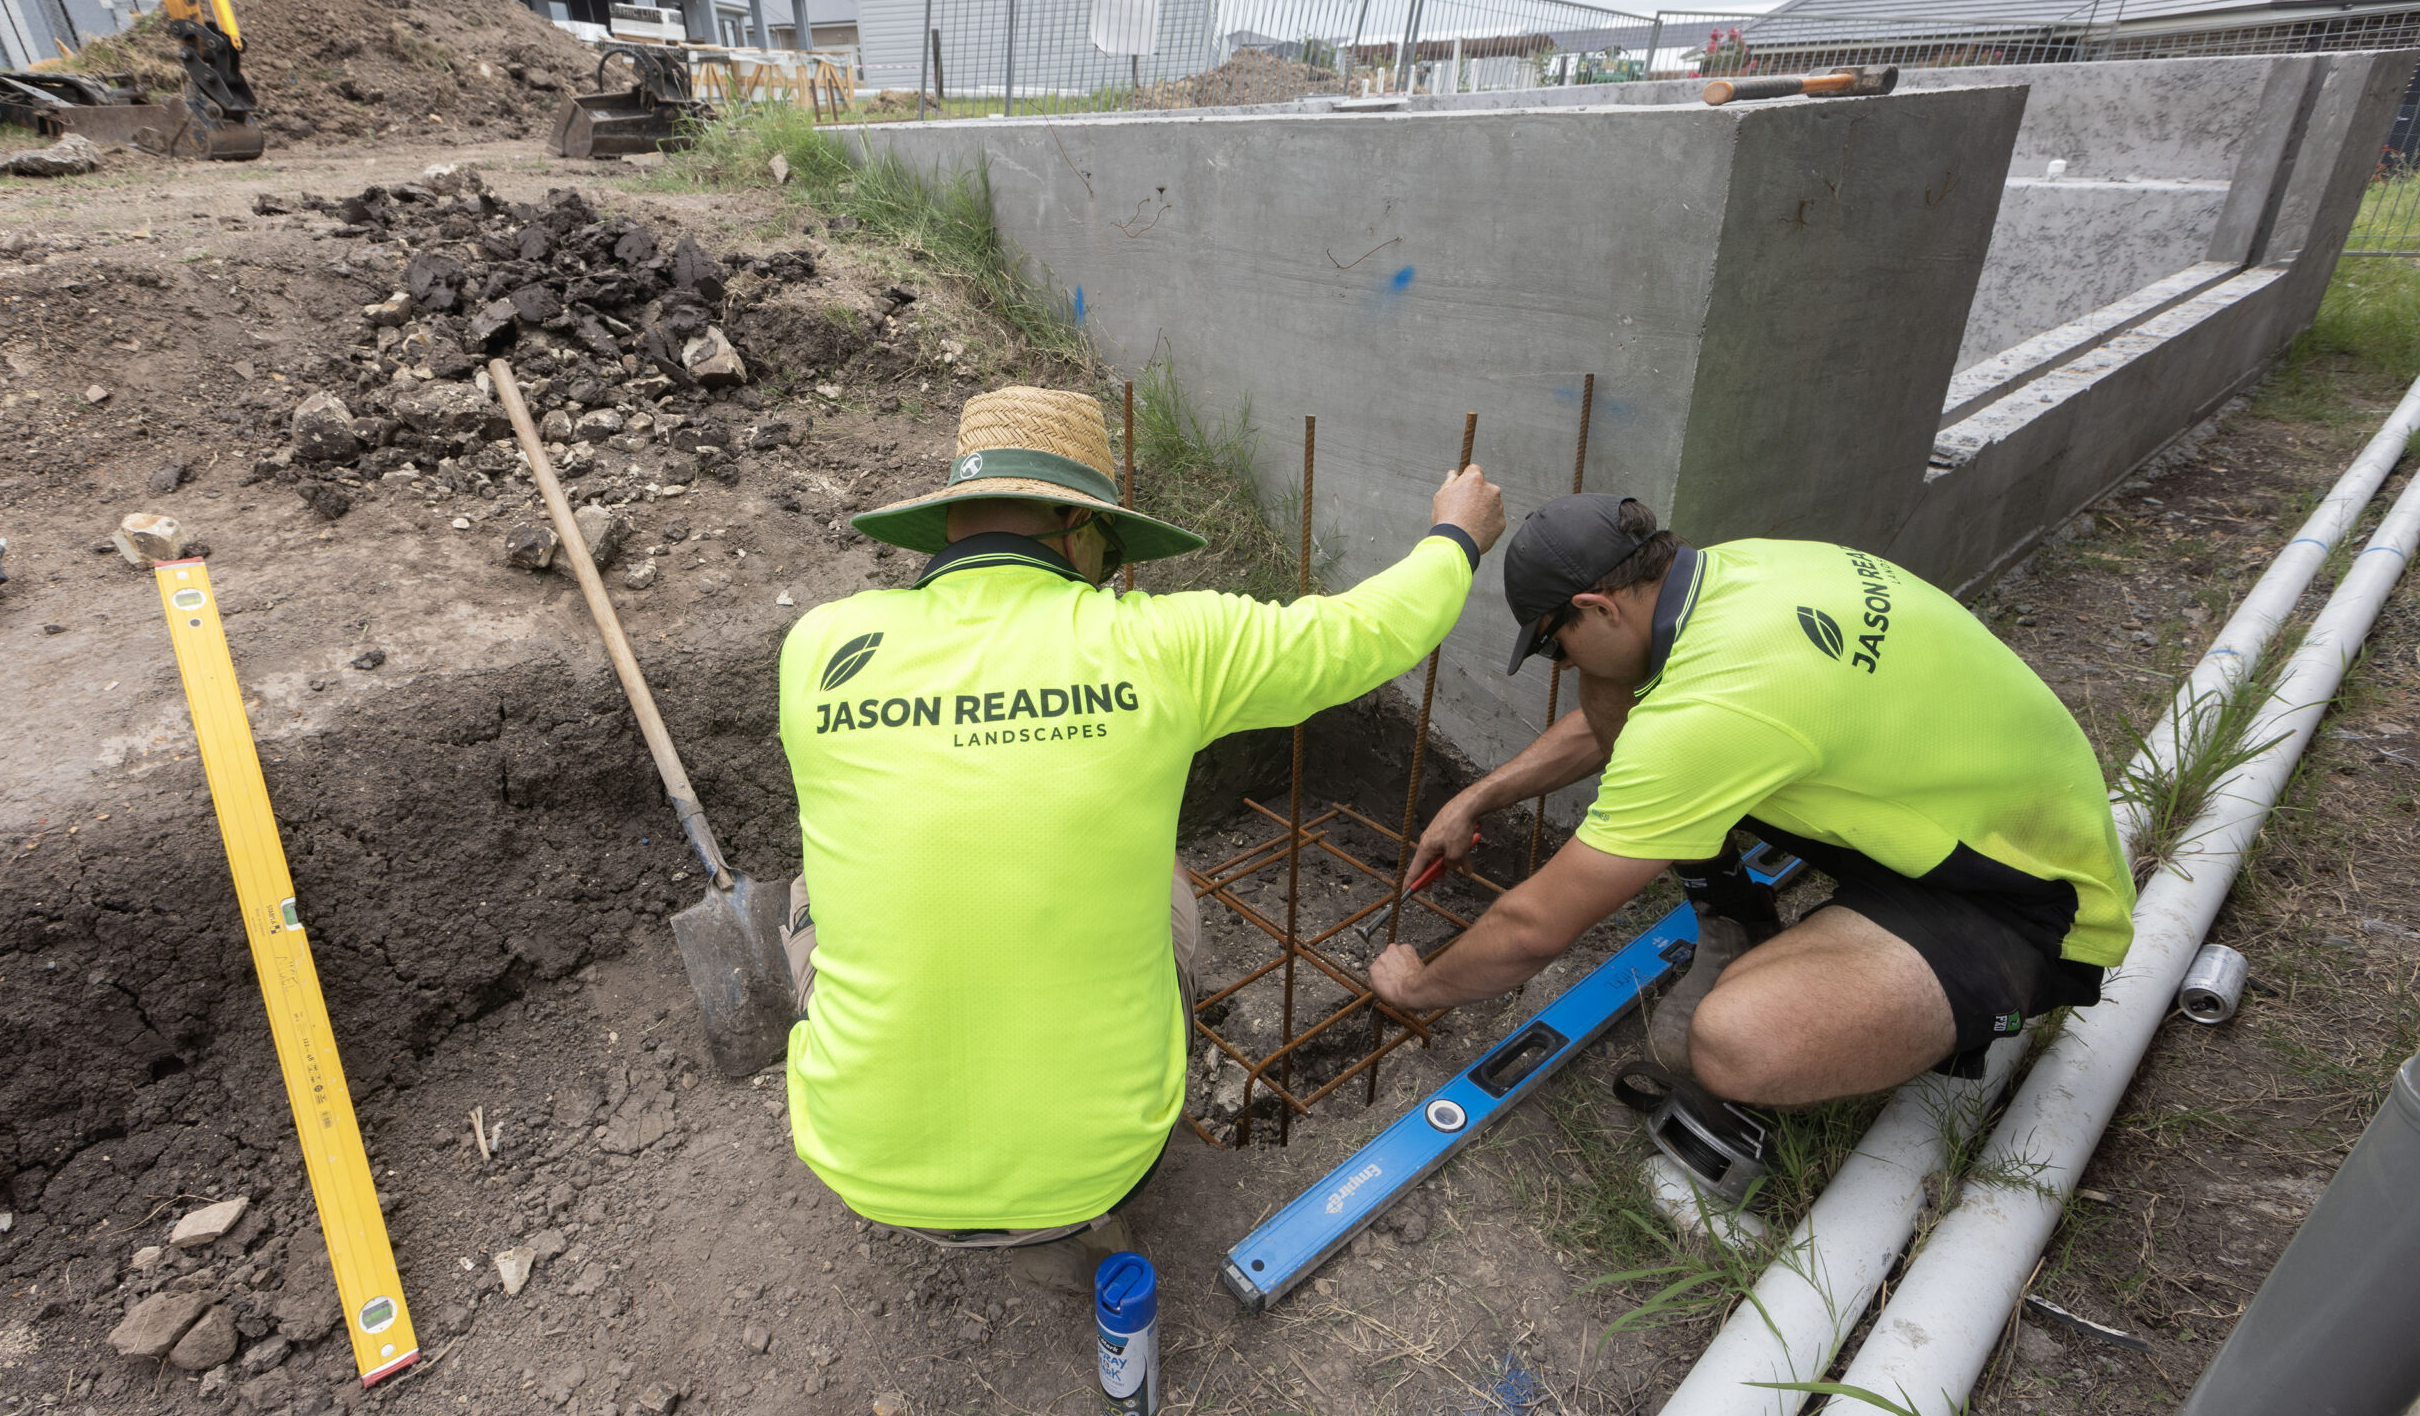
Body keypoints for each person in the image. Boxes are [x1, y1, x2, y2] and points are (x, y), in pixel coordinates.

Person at [752, 385, 1506, 1278]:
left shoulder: (820, 646)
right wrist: (1455, 537)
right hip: (1103, 1164)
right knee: (1171, 886)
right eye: (1109, 552)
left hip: (862, 1162)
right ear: (1080, 531)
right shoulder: (1165, 647)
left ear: (951, 523)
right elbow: (1362, 635)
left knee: (809, 890)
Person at [1371, 493, 2135, 1112]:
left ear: (1597, 606)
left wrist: (1420, 984)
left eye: (1552, 644)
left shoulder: (1712, 712)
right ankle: (1740, 918)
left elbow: (1534, 928)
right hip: (1956, 807)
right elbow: (1635, 731)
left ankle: (1949, 998)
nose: (1557, 664)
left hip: (2024, 898)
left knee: (1729, 1041)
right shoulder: (1739, 573)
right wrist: (1482, 794)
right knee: (1614, 688)